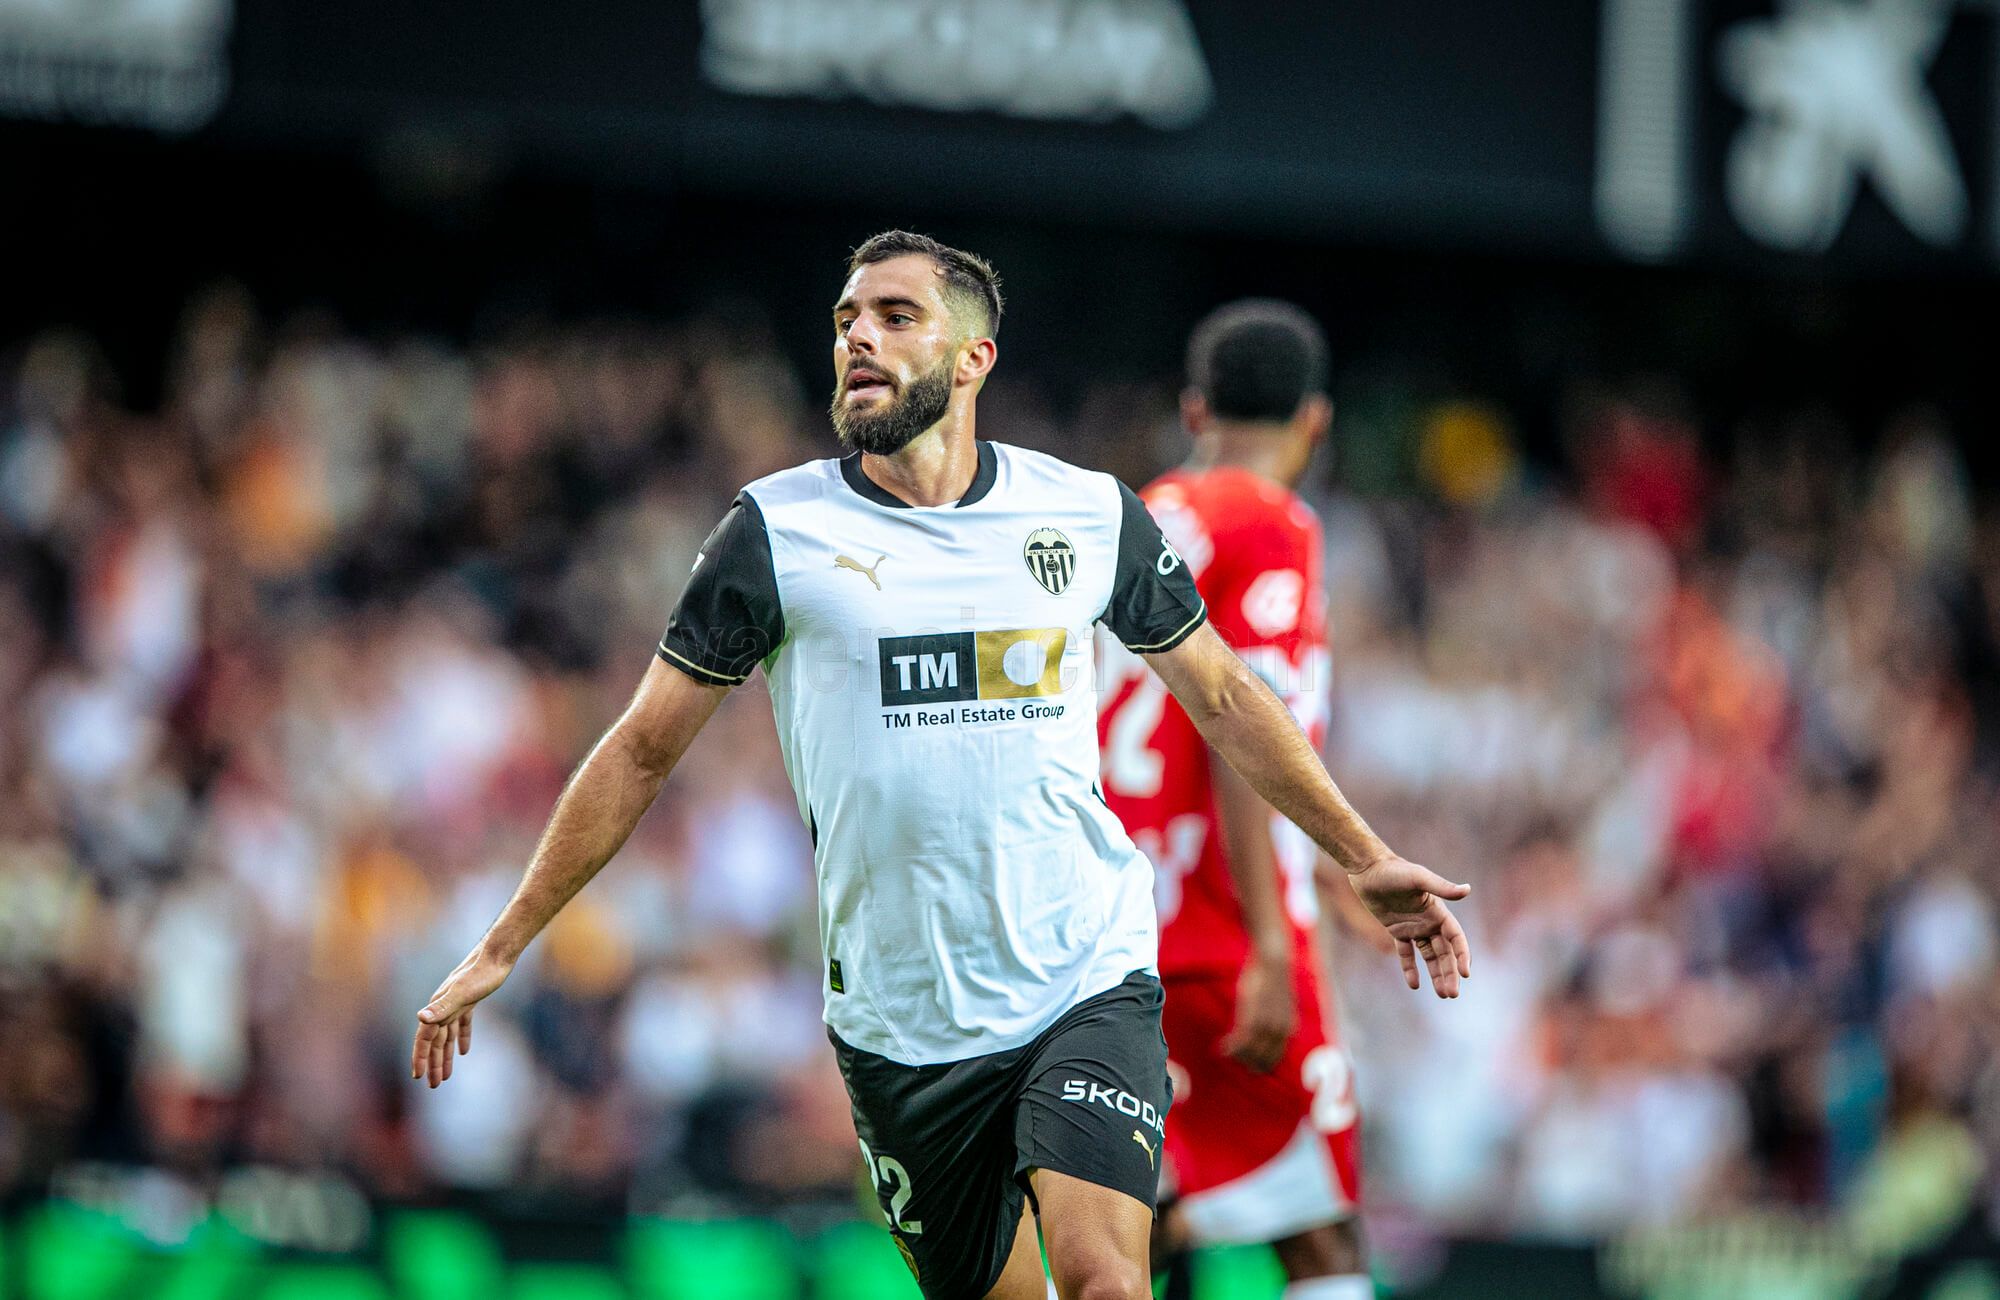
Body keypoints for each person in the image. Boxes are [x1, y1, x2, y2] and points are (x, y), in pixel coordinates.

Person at [410, 233, 1470, 1300]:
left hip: (1083, 974)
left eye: (894, 316)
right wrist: (503, 943)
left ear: (973, 359)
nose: (858, 338)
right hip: (901, 1025)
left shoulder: (1084, 511)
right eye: (845, 320)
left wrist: (1362, 855)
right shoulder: (775, 531)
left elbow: (1228, 696)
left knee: (1107, 1281)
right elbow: (641, 749)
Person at [1099, 300, 1384, 1300]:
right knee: (1322, 1234)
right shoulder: (1270, 520)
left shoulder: (1135, 515)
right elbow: (1240, 725)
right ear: (1315, 421)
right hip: (1225, 927)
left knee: (1140, 1216)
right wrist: (1270, 941)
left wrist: (1329, 879)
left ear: (1193, 411)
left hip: (1118, 921)